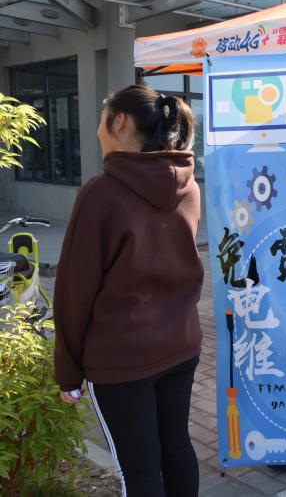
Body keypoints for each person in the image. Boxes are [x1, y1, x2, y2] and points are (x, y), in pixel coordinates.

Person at [54, 85, 203, 495]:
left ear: (118, 121)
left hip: (121, 360)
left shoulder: (101, 193)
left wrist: (68, 372)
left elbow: (74, 292)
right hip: (181, 345)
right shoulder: (188, 185)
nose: (97, 129)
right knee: (177, 449)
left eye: (103, 117)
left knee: (138, 471)